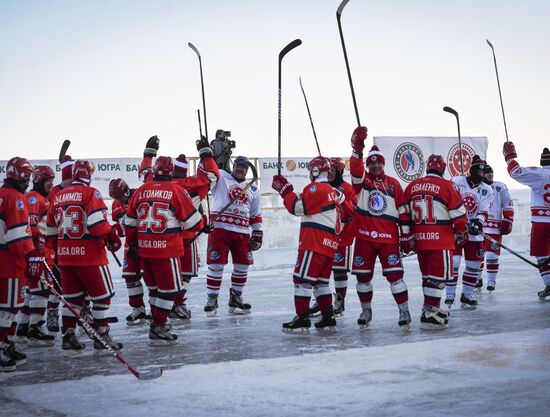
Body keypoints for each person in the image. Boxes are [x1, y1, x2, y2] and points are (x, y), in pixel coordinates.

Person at [47, 160, 122, 355]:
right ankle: (101, 335)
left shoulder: (58, 196)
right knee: (102, 297)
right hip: (90, 256)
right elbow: (97, 224)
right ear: (88, 175)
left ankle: (68, 336)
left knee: (72, 300)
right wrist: (112, 234)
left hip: (65, 257)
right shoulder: (91, 193)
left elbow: (51, 232)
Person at [125, 156, 203, 344]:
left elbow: (129, 222)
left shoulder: (141, 190)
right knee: (170, 290)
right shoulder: (176, 190)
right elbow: (194, 222)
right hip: (166, 250)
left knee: (154, 290)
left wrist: (134, 243)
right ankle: (158, 326)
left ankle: (158, 321)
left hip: (145, 251)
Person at [349, 127, 412, 332]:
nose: (375, 165)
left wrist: (406, 236)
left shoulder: (394, 184)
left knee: (395, 277)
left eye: (378, 162)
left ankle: (404, 311)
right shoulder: (362, 183)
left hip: (388, 240)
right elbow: (356, 170)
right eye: (371, 162)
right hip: (364, 239)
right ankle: (366, 311)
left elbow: (403, 212)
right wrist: (357, 148)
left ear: (383, 163)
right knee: (363, 278)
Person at [272, 156, 342, 332]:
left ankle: (302, 317)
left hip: (314, 242)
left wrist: (285, 191)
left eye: (311, 171)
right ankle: (328, 317)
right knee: (320, 283)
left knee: (301, 280)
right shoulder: (333, 191)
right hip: (329, 243)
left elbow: (297, 207)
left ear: (316, 171)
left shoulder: (316, 188)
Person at [403, 155, 467, 330]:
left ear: (427, 168)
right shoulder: (448, 186)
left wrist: (407, 236)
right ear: (443, 169)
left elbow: (404, 214)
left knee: (428, 277)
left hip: (420, 240)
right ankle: (430, 312)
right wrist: (461, 231)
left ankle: (430, 308)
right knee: (439, 278)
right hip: (440, 239)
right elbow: (459, 215)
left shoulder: (411, 186)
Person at [203, 155, 262, 316]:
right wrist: (207, 155)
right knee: (216, 265)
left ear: (248, 170)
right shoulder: (221, 176)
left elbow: (255, 214)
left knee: (242, 266)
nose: (240, 169)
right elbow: (207, 172)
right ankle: (212, 299)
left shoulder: (253, 189)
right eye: (238, 165)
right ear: (233, 165)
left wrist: (257, 232)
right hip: (220, 230)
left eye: (244, 167)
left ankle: (236, 297)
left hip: (242, 233)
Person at [0, 157, 43, 372]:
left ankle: (7, 344)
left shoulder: (2, 193)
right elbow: (18, 238)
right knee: (9, 308)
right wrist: (32, 255)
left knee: (9, 307)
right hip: (8, 264)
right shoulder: (16, 197)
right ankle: (2, 346)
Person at [309, 157, 356, 318]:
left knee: (339, 271)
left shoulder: (347, 188)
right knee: (322, 270)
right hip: (325, 236)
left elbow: (352, 211)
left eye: (333, 171)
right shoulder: (323, 187)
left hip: (343, 237)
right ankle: (322, 301)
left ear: (340, 172)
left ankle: (339, 301)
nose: (330, 174)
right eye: (329, 171)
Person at [446, 155, 494, 310]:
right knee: (454, 263)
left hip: (475, 231)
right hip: (456, 230)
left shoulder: (487, 190)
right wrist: (457, 220)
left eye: (483, 173)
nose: (481, 176)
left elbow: (484, 210)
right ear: (472, 171)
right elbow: (449, 202)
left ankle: (467, 295)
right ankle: (450, 294)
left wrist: (478, 222)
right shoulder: (457, 181)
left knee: (474, 265)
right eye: (478, 173)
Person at [503, 143, 550, 299]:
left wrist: (510, 157)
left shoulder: (538, 174)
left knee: (541, 253)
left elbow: (515, 172)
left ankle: (549, 282)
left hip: (541, 222)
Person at [17, 165, 56, 346]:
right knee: (41, 290)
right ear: (39, 181)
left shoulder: (39, 197)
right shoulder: (34, 198)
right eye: (48, 181)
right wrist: (37, 253)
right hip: (37, 253)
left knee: (32, 292)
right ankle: (35, 329)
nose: (51, 185)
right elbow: (32, 228)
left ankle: (23, 328)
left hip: (38, 252)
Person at [109, 177, 148, 325]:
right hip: (130, 244)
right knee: (130, 276)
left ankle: (158, 310)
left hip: (146, 241)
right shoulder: (116, 204)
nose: (119, 199)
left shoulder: (140, 195)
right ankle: (138, 309)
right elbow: (121, 228)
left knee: (151, 277)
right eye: (115, 197)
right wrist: (111, 234)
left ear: (125, 190)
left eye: (119, 196)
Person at [476, 164, 514, 292]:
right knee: (478, 256)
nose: (490, 174)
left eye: (491, 172)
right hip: (478, 228)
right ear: (481, 174)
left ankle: (491, 280)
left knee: (492, 255)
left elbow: (508, 203)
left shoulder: (500, 186)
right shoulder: (476, 187)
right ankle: (477, 279)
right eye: (487, 172)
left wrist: (508, 219)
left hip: (494, 228)